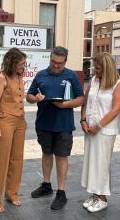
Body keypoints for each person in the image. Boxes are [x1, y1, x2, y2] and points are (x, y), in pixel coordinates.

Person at [26, 46, 85, 210]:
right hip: (43, 123)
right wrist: (36, 98)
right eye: (53, 61)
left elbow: (81, 99)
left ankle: (61, 192)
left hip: (63, 125)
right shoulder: (40, 75)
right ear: (50, 58)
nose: (56, 65)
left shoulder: (71, 75)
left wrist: (64, 104)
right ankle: (46, 185)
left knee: (61, 157)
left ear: (65, 61)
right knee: (46, 154)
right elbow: (29, 96)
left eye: (59, 63)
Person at [80, 52, 120, 213]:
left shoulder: (117, 84)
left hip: (105, 130)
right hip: (90, 128)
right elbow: (85, 102)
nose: (95, 70)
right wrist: (83, 120)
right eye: (94, 67)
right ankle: (95, 193)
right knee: (92, 163)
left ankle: (102, 198)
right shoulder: (93, 81)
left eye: (98, 68)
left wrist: (98, 126)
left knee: (102, 164)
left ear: (107, 68)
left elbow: (116, 109)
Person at [0, 48, 27, 213]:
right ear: (12, 63)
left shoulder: (20, 77)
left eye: (24, 64)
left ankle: (12, 193)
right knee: (2, 161)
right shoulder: (2, 77)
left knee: (17, 159)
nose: (23, 67)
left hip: (20, 121)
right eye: (20, 64)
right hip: (5, 121)